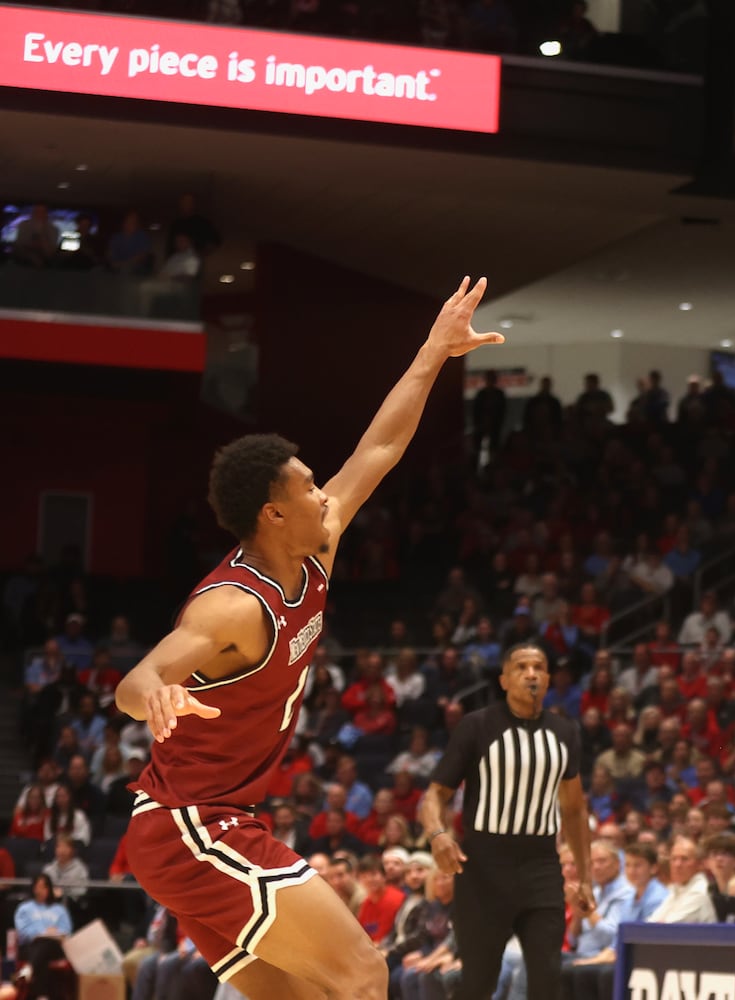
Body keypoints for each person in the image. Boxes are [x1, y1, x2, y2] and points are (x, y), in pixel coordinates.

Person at [115, 277, 504, 998]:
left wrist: (433, 352)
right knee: (361, 973)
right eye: (307, 489)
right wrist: (157, 699)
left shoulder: (312, 549)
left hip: (206, 825)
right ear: (273, 514)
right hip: (191, 828)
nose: (325, 493)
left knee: (308, 995)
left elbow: (379, 447)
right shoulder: (232, 606)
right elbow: (136, 680)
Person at [422, 643, 595, 999]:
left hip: (542, 867)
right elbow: (435, 795)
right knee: (478, 983)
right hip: (484, 868)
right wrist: (438, 834)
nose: (531, 673)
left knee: (547, 979)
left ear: (548, 679)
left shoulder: (566, 732)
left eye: (538, 667)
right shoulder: (477, 726)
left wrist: (586, 877)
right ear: (504, 679)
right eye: (521, 667)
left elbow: (575, 811)